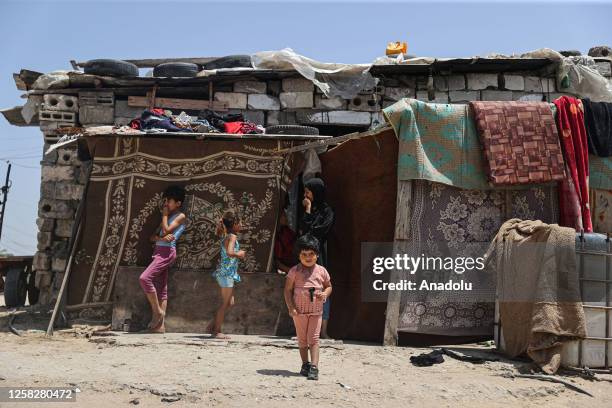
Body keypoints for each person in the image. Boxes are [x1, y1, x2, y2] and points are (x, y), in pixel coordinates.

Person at [139, 185, 187, 334]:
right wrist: (160, 237)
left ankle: (158, 312)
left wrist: (165, 215)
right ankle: (159, 327)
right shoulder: (165, 218)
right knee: (161, 289)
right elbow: (152, 237)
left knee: (144, 278)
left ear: (178, 203)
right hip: (159, 250)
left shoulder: (180, 216)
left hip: (167, 252)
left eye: (169, 201)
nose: (166, 204)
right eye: (165, 201)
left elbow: (167, 230)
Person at [284, 235, 332, 381]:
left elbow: (329, 286)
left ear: (317, 254)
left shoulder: (322, 271)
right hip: (299, 312)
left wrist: (324, 294)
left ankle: (314, 367)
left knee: (314, 339)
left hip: (316, 311)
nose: (308, 257)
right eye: (304, 254)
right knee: (302, 340)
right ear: (299, 255)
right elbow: (287, 291)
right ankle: (305, 364)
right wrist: (291, 307)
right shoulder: (294, 271)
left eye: (311, 254)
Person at [300, 177, 334, 338]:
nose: (305, 196)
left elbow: (318, 231)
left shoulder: (327, 212)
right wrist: (307, 210)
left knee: (321, 289)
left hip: (320, 255)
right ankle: (305, 329)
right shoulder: (309, 209)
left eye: (308, 192)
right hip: (305, 254)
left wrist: (309, 224)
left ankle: (324, 331)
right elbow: (303, 230)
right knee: (304, 289)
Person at [209, 210, 246, 339]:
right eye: (240, 222)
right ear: (235, 223)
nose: (242, 225)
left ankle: (212, 326)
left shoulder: (227, 236)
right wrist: (239, 254)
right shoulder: (232, 236)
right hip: (226, 275)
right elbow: (230, 252)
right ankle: (217, 331)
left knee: (230, 302)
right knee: (225, 303)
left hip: (225, 274)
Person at [274, 208, 297, 274]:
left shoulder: (288, 233)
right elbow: (277, 262)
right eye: (283, 215)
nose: (286, 218)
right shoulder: (276, 235)